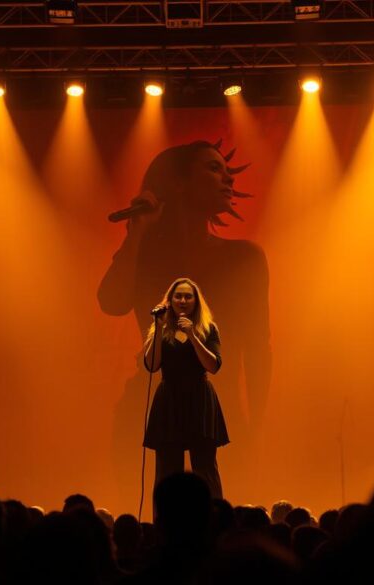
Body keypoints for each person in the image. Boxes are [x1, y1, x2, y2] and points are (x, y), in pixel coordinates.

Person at [99, 140, 271, 505]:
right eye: (213, 169)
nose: (227, 180)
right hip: (150, 401)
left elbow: (258, 349)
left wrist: (257, 424)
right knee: (152, 501)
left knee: (220, 504)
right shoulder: (144, 255)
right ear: (177, 183)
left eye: (227, 172)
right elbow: (111, 302)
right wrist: (137, 234)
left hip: (218, 403)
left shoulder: (243, 258)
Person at [143, 277, 227, 499]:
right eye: (178, 296)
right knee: (166, 473)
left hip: (199, 400)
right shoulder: (160, 328)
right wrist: (159, 330)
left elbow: (213, 365)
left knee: (206, 469)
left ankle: (214, 522)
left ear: (196, 301)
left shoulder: (208, 329)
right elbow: (151, 365)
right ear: (170, 300)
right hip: (169, 401)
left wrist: (192, 334)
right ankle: (165, 525)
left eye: (188, 296)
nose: (182, 300)